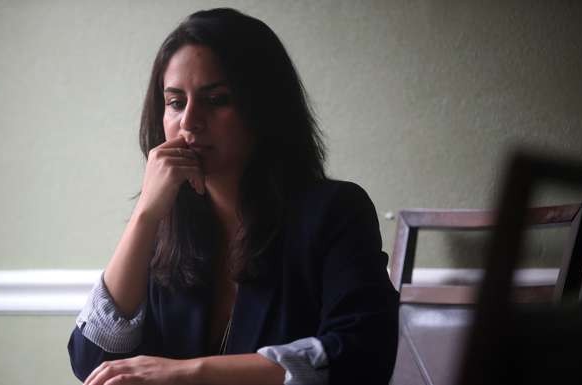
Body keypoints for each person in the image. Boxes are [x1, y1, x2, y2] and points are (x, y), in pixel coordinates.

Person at [68, 8, 399, 385]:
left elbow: (361, 355)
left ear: (265, 108)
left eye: (217, 100)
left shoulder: (335, 212)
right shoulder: (165, 227)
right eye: (176, 102)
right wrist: (145, 214)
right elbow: (91, 361)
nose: (189, 122)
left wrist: (190, 373)